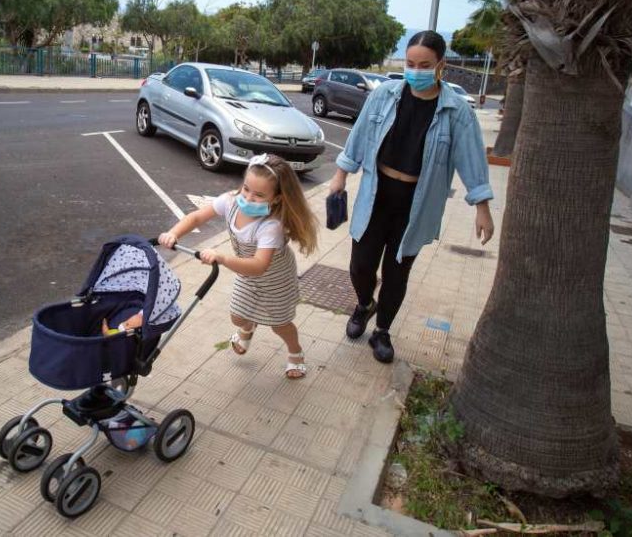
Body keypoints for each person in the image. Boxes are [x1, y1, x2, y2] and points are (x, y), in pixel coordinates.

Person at [329, 30, 495, 363]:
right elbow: (359, 135)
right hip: (376, 195)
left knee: (397, 272)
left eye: (424, 65)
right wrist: (340, 175)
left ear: (440, 65)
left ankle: (382, 331)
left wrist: (482, 207)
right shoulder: (385, 96)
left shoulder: (456, 111)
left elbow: (472, 158)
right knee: (360, 265)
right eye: (409, 63)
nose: (415, 70)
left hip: (416, 203)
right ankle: (364, 304)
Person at [159, 154, 318, 379]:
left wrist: (222, 258)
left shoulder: (270, 226)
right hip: (246, 271)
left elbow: (259, 265)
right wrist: (173, 233)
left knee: (279, 324)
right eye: (246, 189)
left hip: (275, 280)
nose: (248, 198)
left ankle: (296, 352)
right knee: (237, 316)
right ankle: (248, 326)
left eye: (259, 195)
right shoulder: (230, 201)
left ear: (277, 198)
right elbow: (196, 218)